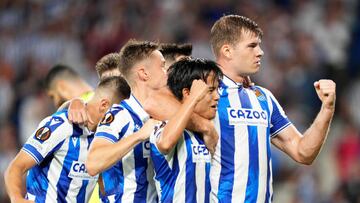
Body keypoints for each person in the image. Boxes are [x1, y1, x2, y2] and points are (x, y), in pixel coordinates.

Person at [209, 15, 336, 202]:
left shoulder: (263, 98)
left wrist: (327, 108)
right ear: (227, 51)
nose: (260, 52)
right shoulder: (204, 94)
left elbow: (303, 152)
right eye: (252, 46)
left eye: (259, 45)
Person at [4, 76, 131, 203]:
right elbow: (15, 167)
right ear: (104, 105)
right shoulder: (61, 126)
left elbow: (104, 186)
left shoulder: (103, 142)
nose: (120, 121)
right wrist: (17, 199)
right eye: (118, 114)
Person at [85, 39, 167, 202]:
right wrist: (139, 136)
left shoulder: (162, 115)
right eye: (162, 66)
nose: (167, 72)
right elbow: (93, 163)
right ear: (144, 73)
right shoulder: (120, 114)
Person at [150, 58, 222, 203]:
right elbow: (164, 143)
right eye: (210, 90)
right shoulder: (165, 125)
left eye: (217, 89)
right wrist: (194, 98)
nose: (217, 96)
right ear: (187, 93)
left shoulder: (207, 131)